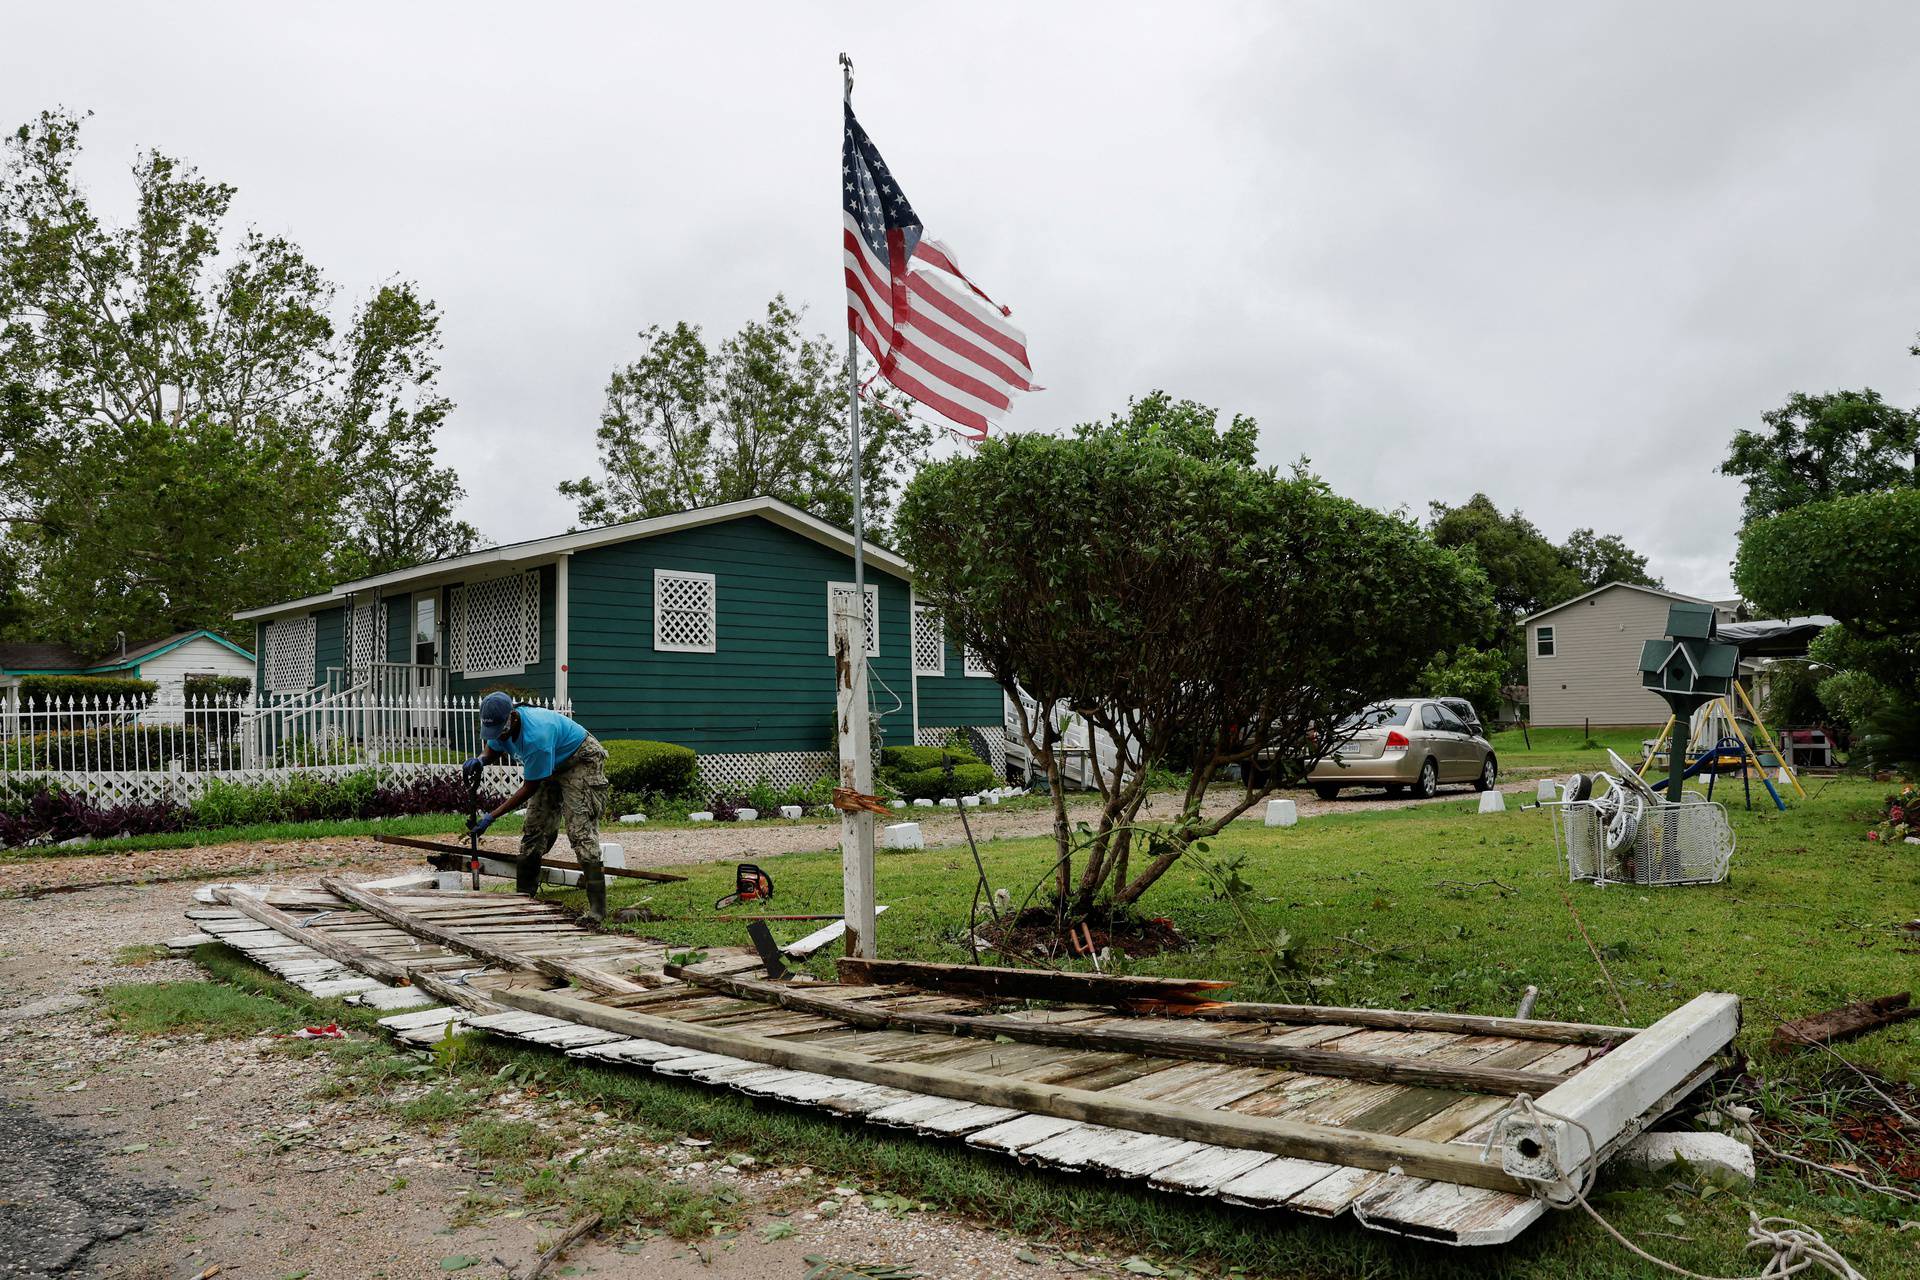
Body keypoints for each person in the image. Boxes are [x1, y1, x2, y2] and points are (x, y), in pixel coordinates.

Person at [462, 691, 612, 923]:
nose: (497, 735)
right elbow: (493, 746)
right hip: (550, 763)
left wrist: (491, 816)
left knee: (579, 830)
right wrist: (480, 759)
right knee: (534, 828)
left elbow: (529, 788)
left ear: (512, 717)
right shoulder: (500, 723)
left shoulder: (536, 737)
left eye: (500, 730)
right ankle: (524, 898)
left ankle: (597, 909)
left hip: (580, 759)